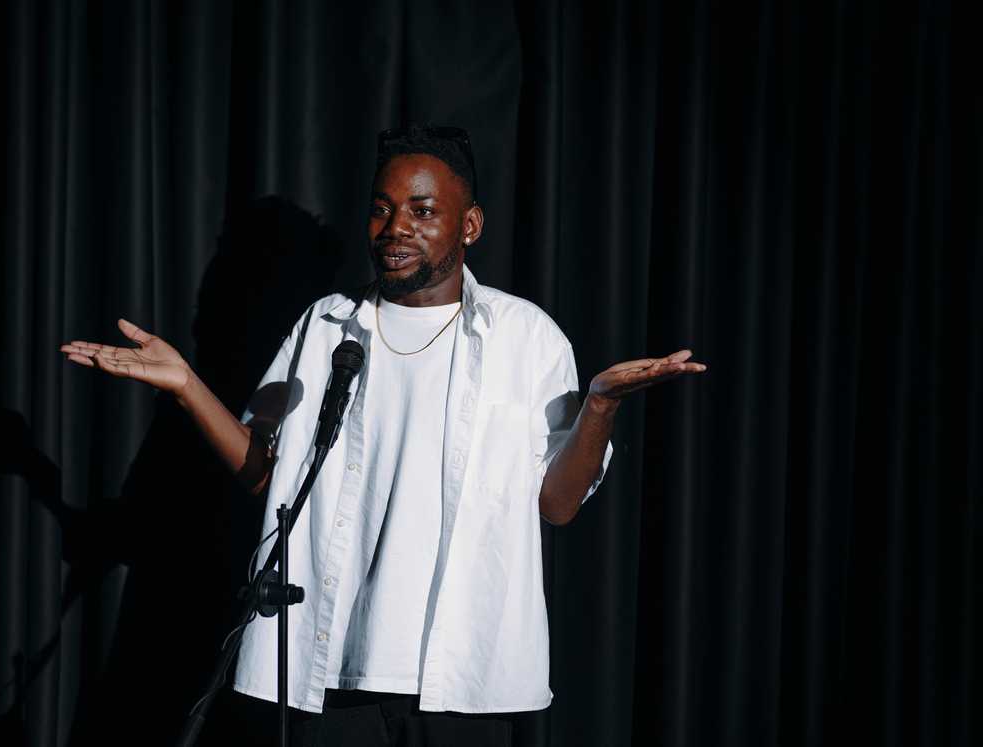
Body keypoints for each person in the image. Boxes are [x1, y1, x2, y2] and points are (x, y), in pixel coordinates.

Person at [60, 124, 705, 746]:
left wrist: (598, 406)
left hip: (463, 685)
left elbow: (558, 505)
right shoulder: (325, 326)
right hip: (333, 668)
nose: (396, 228)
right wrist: (186, 386)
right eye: (383, 209)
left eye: (423, 211)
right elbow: (266, 475)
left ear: (469, 225)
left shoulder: (526, 337)